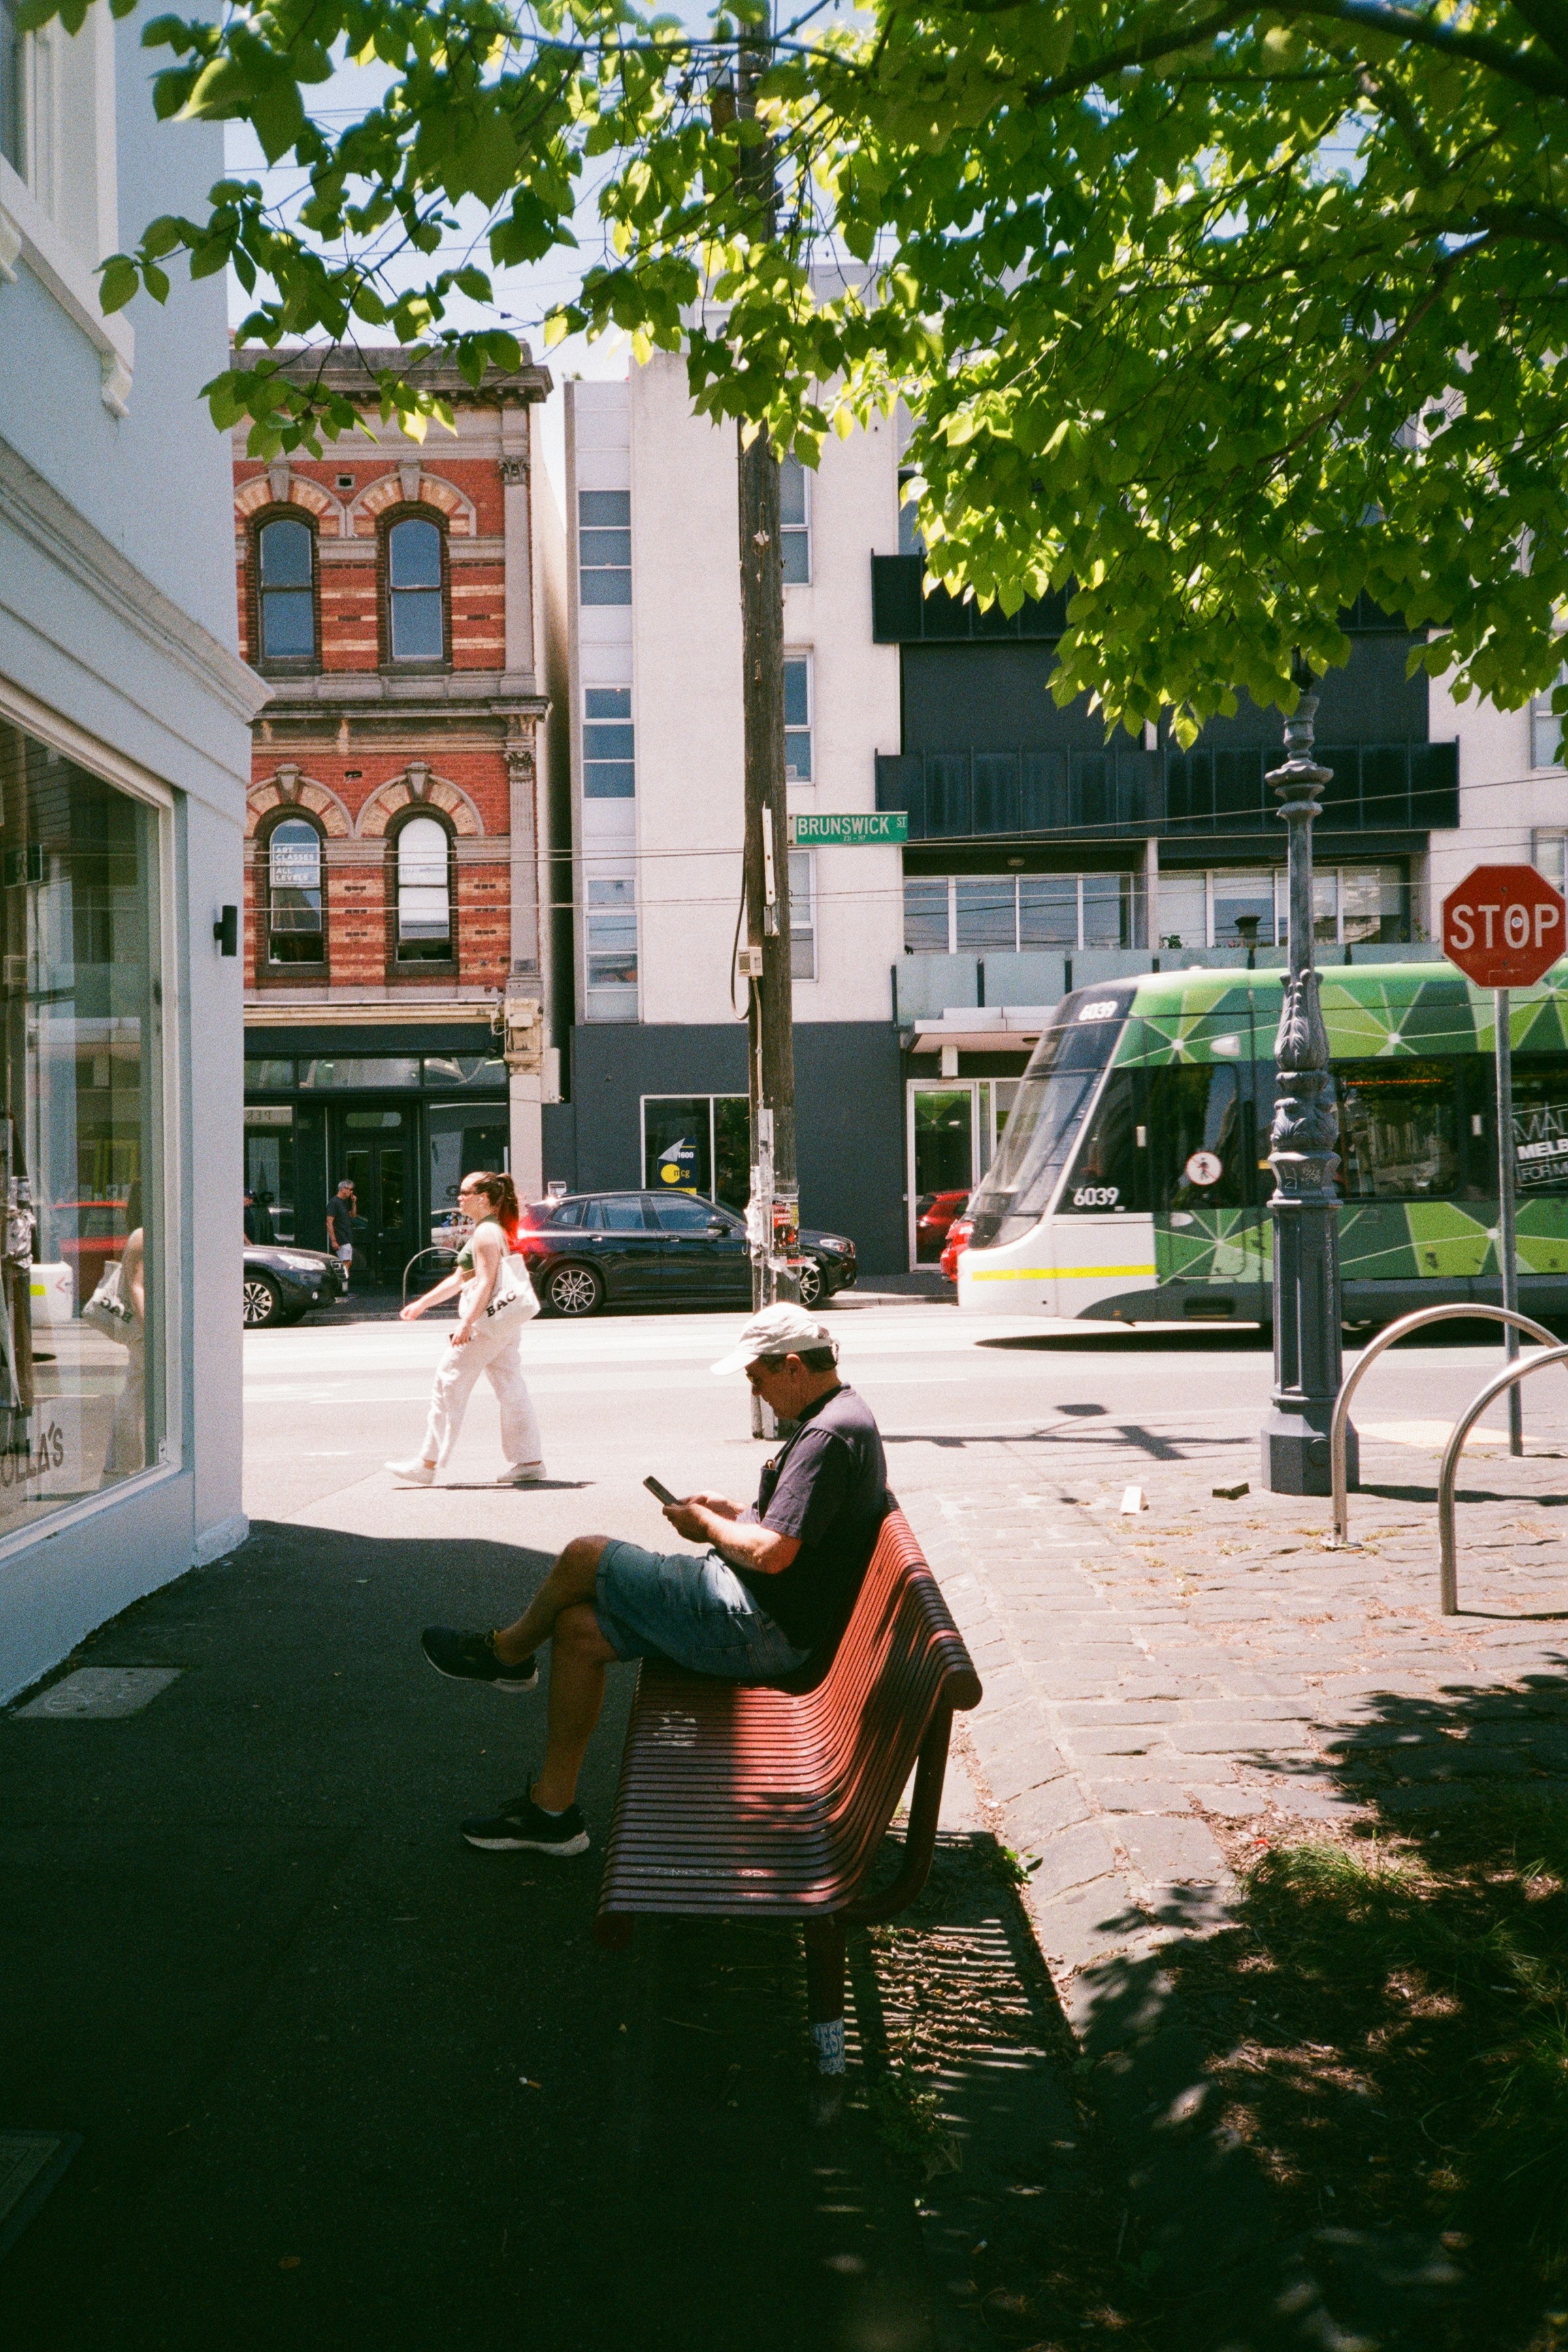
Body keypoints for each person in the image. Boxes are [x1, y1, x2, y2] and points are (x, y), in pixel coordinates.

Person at [419, 1302, 887, 1857]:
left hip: (763, 1627)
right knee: (577, 1629)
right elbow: (793, 1531)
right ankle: (552, 1814)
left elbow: (774, 1555)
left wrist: (708, 1526)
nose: (757, 1393)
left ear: (791, 1366)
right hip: (766, 1614)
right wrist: (733, 1510)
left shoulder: (826, 1437)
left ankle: (508, 1655)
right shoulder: (840, 1416)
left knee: (584, 1556)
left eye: (757, 1378)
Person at [386, 1171, 545, 1488]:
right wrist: (423, 1304)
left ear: (483, 1198)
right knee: (511, 1388)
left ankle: (426, 1463)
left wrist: (466, 1323)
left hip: (486, 1326)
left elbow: (484, 1282)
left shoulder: (486, 1233)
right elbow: (461, 1279)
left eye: (465, 1192)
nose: (459, 1198)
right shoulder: (492, 1230)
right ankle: (529, 1461)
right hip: (504, 1324)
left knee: (447, 1385)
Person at [326, 1179, 357, 1288]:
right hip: (340, 1237)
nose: (351, 1192)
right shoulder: (334, 1202)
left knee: (347, 1262)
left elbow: (353, 1215)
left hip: (347, 1236)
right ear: (343, 1189)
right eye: (349, 1190)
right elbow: (329, 1222)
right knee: (346, 1262)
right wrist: (334, 1240)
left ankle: (343, 1287)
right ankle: (342, 1287)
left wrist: (354, 1203)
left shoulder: (344, 1203)